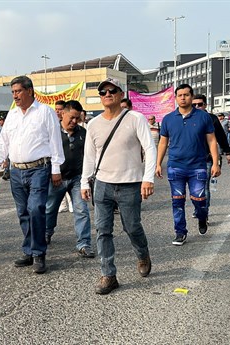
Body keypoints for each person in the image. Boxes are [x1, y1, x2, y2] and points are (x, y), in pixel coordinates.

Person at [81, 78, 156, 295]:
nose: (107, 94)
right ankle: (108, 274)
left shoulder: (135, 118)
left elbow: (149, 149)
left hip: (130, 184)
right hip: (102, 184)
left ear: (121, 93)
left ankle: (142, 254)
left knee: (132, 227)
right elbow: (89, 156)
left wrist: (147, 178)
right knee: (102, 230)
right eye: (102, 91)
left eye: (111, 90)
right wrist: (85, 181)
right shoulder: (93, 124)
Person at [0, 76, 65, 274]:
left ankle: (39, 253)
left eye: (18, 91)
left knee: (35, 208)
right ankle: (29, 250)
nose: (15, 95)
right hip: (16, 170)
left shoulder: (45, 112)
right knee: (23, 211)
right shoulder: (12, 115)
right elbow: (3, 142)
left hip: (39, 168)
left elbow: (56, 141)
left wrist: (56, 169)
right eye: (13, 92)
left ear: (30, 91)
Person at [155, 84, 220, 246]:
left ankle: (202, 217)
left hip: (198, 166)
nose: (183, 98)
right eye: (180, 95)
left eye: (186, 95)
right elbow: (163, 143)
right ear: (176, 98)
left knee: (199, 199)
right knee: (177, 201)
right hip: (175, 166)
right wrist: (158, 164)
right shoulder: (168, 119)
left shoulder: (203, 117)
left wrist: (215, 162)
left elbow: (212, 140)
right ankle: (180, 232)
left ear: (191, 97)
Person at [45, 100, 93, 257]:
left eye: (77, 118)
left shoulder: (83, 133)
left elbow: (89, 156)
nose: (74, 121)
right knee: (50, 209)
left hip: (77, 178)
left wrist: (88, 178)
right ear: (62, 113)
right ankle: (47, 233)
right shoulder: (52, 132)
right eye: (71, 117)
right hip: (56, 179)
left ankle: (84, 243)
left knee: (81, 210)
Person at [191, 95, 230, 222]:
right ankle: (198, 208)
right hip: (190, 159)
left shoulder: (212, 118)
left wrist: (227, 153)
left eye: (200, 104)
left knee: (204, 187)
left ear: (205, 105)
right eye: (194, 105)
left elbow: (221, 136)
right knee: (193, 189)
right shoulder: (187, 118)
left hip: (208, 158)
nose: (197, 107)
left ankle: (204, 213)